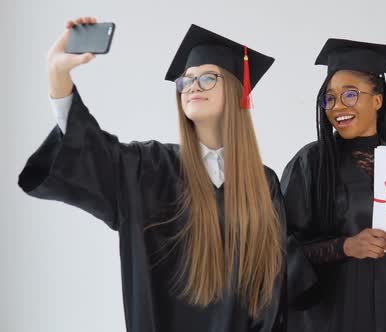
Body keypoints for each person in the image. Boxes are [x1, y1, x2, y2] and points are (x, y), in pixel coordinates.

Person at [18, 17, 285, 332]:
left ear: (237, 90)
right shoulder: (147, 167)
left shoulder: (262, 184)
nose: (193, 86)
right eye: (186, 80)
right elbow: (90, 152)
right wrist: (58, 75)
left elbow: (270, 290)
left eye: (208, 78)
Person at [282, 38, 386, 332]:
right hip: (332, 320)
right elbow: (279, 249)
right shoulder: (310, 162)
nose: (337, 107)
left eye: (350, 94)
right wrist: (345, 246)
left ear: (377, 99)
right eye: (329, 98)